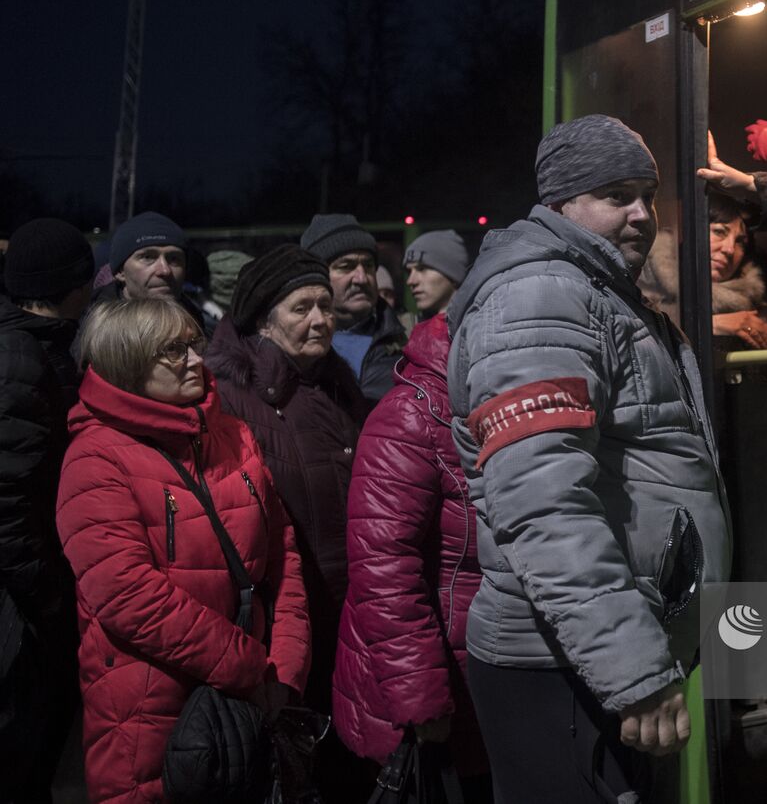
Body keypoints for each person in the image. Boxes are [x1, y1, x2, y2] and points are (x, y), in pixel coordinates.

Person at [448, 114, 730, 803]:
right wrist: (633, 668)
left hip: (585, 656)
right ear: (561, 204)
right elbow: (545, 508)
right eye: (616, 194)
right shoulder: (538, 297)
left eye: (648, 194)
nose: (641, 214)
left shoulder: (593, 289)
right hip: (563, 666)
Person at [56, 298, 310, 804]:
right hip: (150, 708)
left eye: (193, 344)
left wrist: (286, 666)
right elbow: (127, 595)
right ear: (127, 361)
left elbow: (283, 557)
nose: (196, 359)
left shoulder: (231, 432)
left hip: (259, 696)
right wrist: (248, 668)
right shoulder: (94, 456)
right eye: (173, 351)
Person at [202, 245, 376, 796]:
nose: (321, 320)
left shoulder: (341, 390)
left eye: (325, 305)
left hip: (351, 615)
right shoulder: (229, 398)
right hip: (284, 628)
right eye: (302, 307)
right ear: (263, 317)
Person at [333, 309, 488, 792]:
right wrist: (423, 700)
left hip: (482, 678)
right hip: (433, 688)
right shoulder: (412, 416)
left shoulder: (498, 402)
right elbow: (384, 571)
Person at [0, 219, 92, 802]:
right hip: (23, 608)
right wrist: (49, 597)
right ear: (68, 286)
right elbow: (7, 505)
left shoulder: (39, 346)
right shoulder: (21, 361)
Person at [639, 195, 767, 349]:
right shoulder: (644, 280)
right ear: (688, 232)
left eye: (740, 242)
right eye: (719, 232)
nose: (730, 249)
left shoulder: (761, 310)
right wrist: (714, 324)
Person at [300, 214, 406, 402]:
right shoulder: (293, 344)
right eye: (346, 266)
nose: (361, 278)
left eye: (368, 265)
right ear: (318, 275)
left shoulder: (407, 340)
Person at [90, 211, 215, 335]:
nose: (164, 270)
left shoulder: (201, 327)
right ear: (120, 272)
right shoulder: (91, 336)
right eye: (148, 257)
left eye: (174, 259)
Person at [404, 229, 470, 320]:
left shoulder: (482, 328)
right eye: (409, 272)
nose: (410, 281)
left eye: (422, 269)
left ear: (453, 275)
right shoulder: (411, 328)